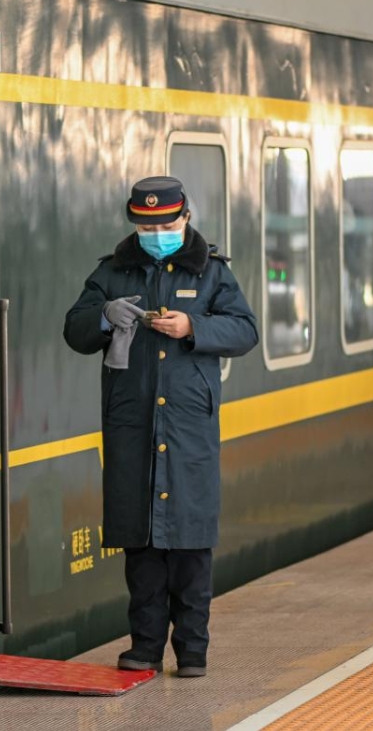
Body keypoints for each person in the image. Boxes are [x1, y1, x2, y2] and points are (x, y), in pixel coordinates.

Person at [63, 176, 258, 676]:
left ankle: (192, 651)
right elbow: (75, 329)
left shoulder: (212, 273)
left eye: (166, 224)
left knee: (191, 548)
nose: (156, 232)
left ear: (185, 218)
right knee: (142, 546)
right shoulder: (113, 272)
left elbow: (245, 330)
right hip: (134, 429)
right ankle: (144, 647)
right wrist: (106, 317)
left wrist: (195, 327)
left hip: (188, 430)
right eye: (146, 225)